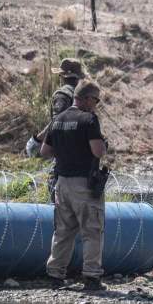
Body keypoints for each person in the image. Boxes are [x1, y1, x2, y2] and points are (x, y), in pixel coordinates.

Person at [40, 80, 107, 291]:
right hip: (83, 184)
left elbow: (44, 151)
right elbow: (97, 151)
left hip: (62, 182)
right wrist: (103, 143)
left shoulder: (58, 119)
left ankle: (55, 275)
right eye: (96, 100)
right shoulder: (89, 119)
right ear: (87, 98)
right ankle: (91, 277)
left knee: (63, 232)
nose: (96, 105)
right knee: (92, 230)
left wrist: (66, 150)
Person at [26, 58, 86, 201]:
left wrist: (37, 140)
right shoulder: (84, 96)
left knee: (57, 197)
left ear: (63, 76)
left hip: (63, 155)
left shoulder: (62, 95)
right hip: (83, 157)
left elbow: (56, 122)